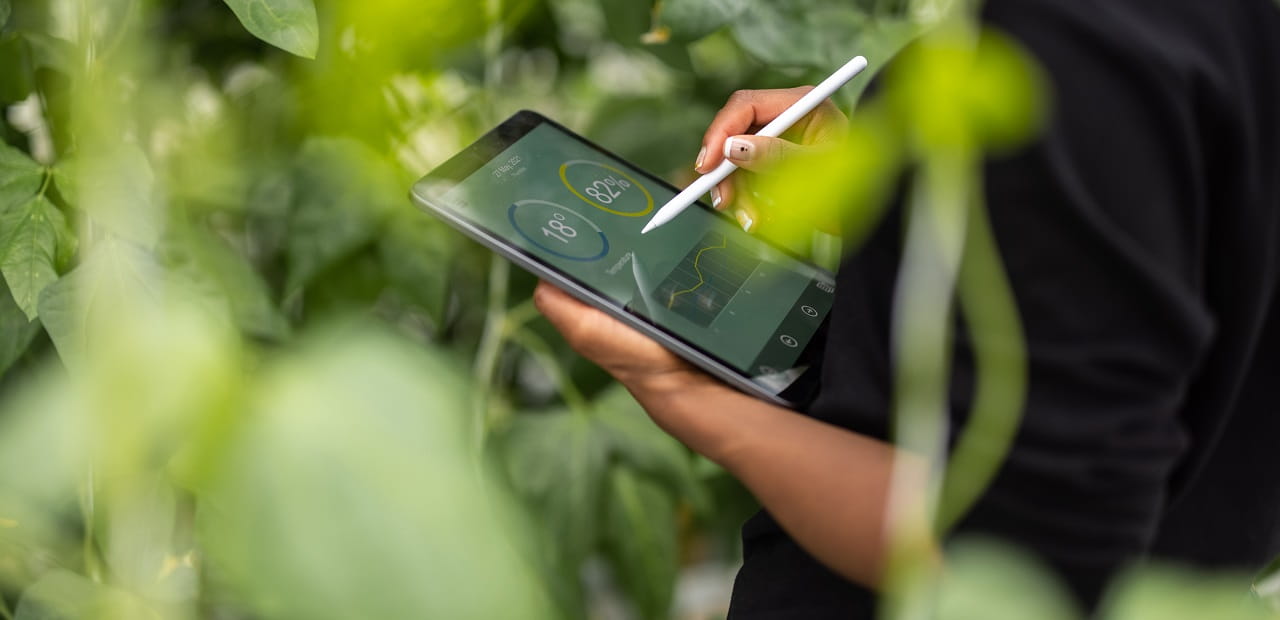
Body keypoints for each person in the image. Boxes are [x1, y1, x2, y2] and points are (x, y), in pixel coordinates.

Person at [534, 0, 1280, 616]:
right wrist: (912, 195)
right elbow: (1165, 253)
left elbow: (1019, 557)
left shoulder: (1077, 43)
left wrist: (680, 390)